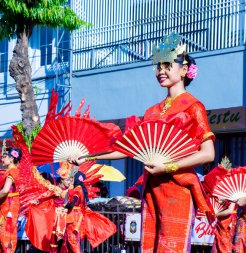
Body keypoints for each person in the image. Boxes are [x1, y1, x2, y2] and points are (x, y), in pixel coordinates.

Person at [75, 32, 215, 252]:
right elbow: (125, 148)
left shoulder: (193, 107)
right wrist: (88, 155)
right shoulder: (152, 112)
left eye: (167, 65)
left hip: (177, 188)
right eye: (158, 66)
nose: (161, 71)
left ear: (184, 70)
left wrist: (167, 166)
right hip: (151, 188)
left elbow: (208, 153)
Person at [63, 169, 116, 253]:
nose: (70, 180)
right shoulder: (80, 189)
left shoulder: (77, 189)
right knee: (73, 240)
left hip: (73, 217)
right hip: (77, 216)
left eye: (72, 178)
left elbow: (73, 202)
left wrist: (65, 207)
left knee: (72, 240)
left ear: (76, 179)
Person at [0, 146, 22, 253]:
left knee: (6, 237)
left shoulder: (12, 171)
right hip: (4, 206)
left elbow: (5, 190)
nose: (2, 159)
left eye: (4, 156)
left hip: (10, 207)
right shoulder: (9, 171)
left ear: (12, 158)